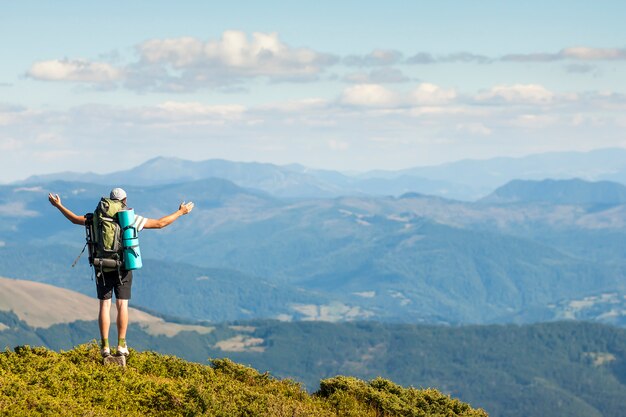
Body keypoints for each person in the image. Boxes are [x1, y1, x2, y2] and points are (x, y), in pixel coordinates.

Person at [48, 187, 194, 357]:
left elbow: (74, 219)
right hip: (122, 266)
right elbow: (160, 224)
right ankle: (121, 345)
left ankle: (104, 347)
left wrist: (58, 205)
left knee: (104, 305)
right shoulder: (128, 218)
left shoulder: (96, 217)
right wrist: (180, 212)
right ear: (124, 200)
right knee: (122, 305)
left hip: (101, 265)